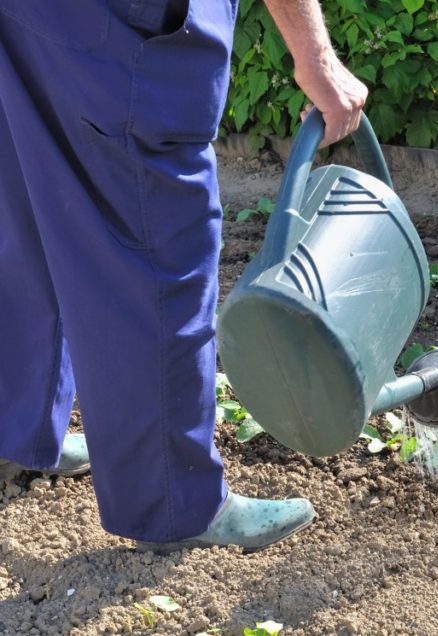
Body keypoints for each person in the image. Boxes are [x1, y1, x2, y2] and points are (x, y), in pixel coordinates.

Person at [0, 0, 367, 552]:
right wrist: (314, 56)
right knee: (156, 233)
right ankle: (173, 501)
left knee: (29, 190)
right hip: (117, 28)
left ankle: (14, 426)